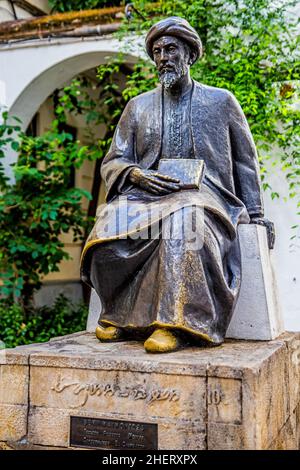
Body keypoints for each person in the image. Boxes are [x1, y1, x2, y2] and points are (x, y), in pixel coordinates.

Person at [81, 16, 274, 353]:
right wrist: (138, 175)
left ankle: (173, 322)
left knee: (184, 223)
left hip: (205, 195)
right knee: (107, 225)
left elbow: (246, 161)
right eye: (156, 51)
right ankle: (118, 314)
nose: (163, 57)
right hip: (147, 196)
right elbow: (114, 159)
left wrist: (256, 215)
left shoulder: (221, 101)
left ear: (189, 54)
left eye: (171, 49)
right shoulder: (137, 107)